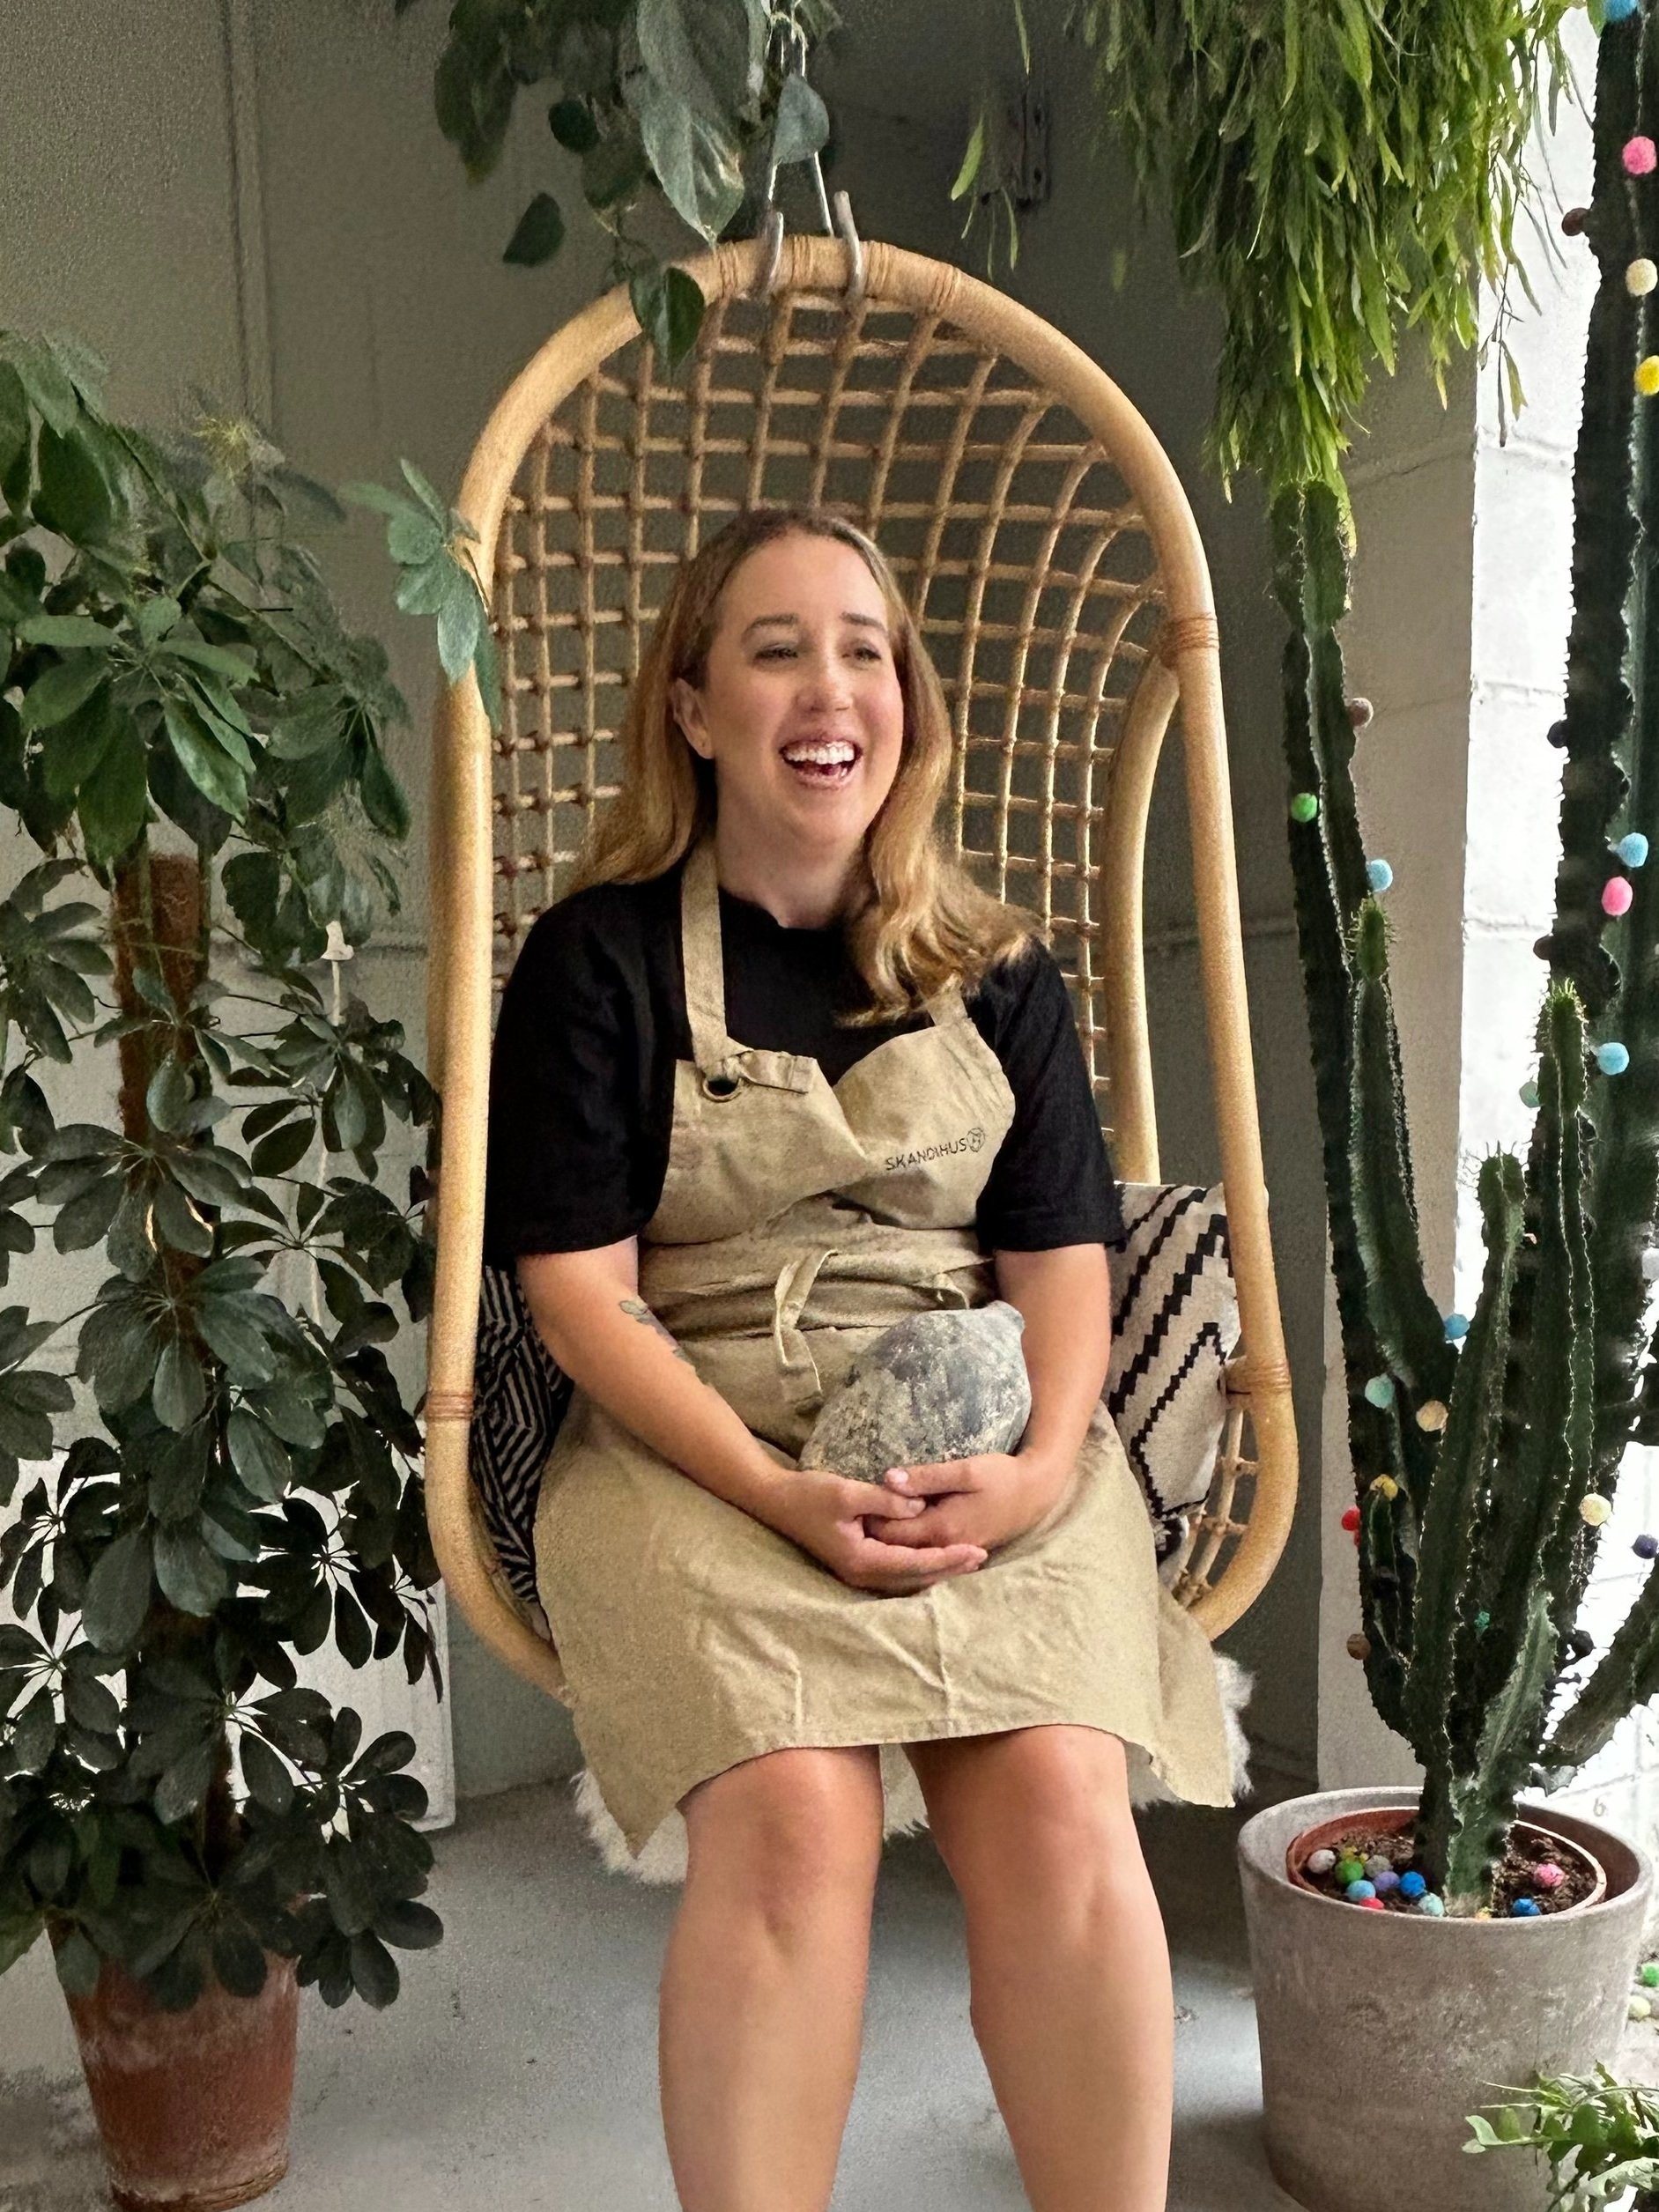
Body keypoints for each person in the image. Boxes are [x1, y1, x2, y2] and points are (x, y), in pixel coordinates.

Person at [482, 506, 1237, 2212]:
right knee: (792, 1812)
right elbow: (584, 1300)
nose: (832, 688)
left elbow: (1061, 1258)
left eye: (865, 648)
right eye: (777, 650)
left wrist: (1037, 1469)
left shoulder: (994, 970)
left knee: (1058, 1794)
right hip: (698, 1437)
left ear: (908, 698)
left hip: (985, 1428)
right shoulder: (598, 960)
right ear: (693, 709)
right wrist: (777, 1490)